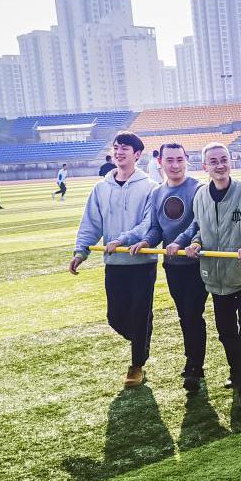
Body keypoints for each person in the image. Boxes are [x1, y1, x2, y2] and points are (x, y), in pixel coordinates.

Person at [171, 143, 241, 413]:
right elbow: (201, 228)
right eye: (213, 161)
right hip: (216, 279)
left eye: (224, 159)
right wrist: (195, 242)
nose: (220, 165)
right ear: (205, 166)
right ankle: (236, 372)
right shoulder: (201, 195)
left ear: (231, 161)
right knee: (226, 334)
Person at [69, 131, 159, 389]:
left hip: (142, 263)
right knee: (115, 317)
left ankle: (137, 365)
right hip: (114, 264)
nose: (119, 152)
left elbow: (149, 224)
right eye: (116, 147)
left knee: (140, 314)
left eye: (125, 149)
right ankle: (142, 333)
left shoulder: (150, 187)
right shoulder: (101, 188)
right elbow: (91, 223)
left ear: (137, 155)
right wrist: (80, 252)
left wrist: (123, 239)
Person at [120, 143, 208, 392]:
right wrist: (146, 242)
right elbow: (157, 228)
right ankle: (193, 360)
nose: (175, 165)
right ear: (160, 162)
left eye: (179, 159)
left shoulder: (198, 189)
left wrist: (183, 242)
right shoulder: (157, 192)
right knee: (184, 315)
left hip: (196, 264)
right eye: (170, 160)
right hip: (172, 265)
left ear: (186, 160)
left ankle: (194, 366)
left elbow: (200, 224)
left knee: (192, 314)